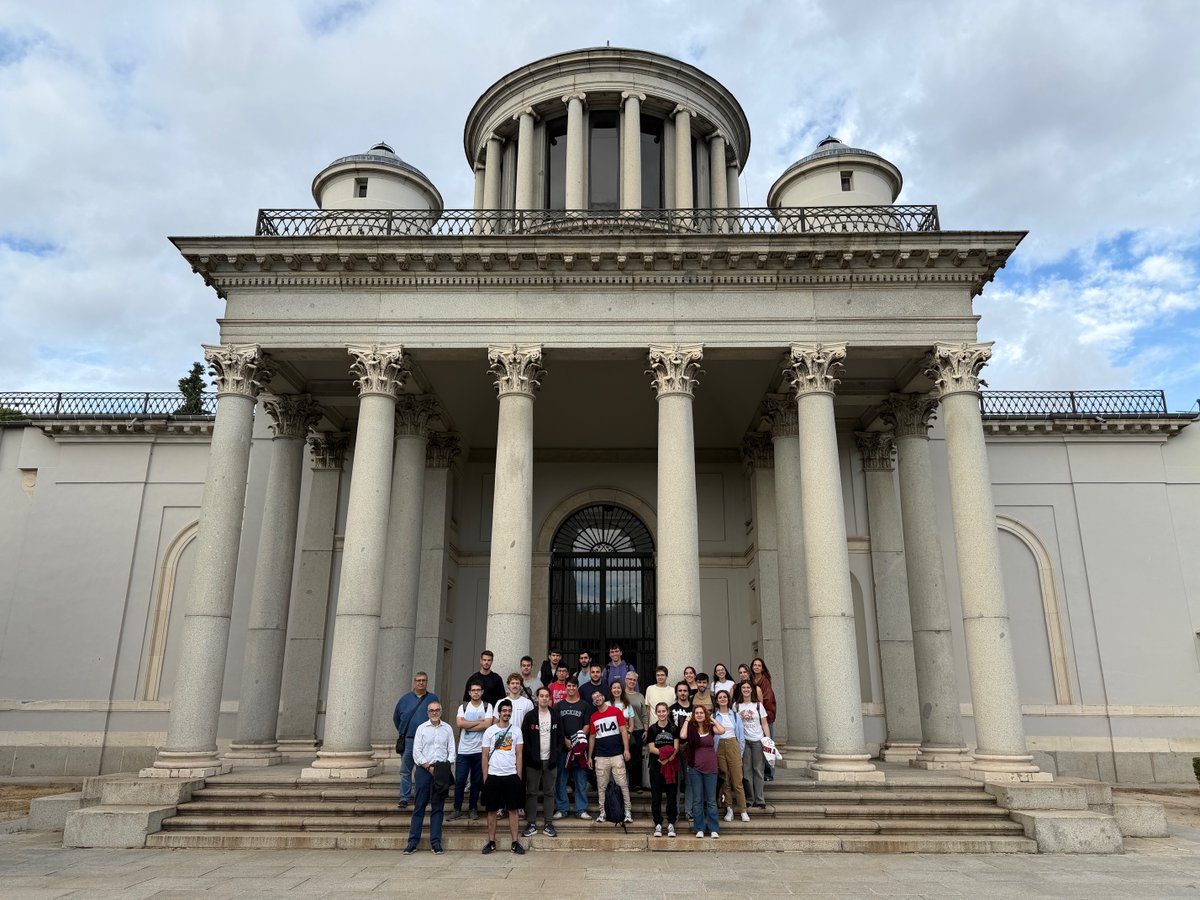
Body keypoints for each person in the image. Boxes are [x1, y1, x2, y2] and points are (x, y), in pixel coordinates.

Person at [404, 700, 455, 855]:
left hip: (441, 771)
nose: (434, 713)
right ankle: (413, 842)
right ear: (428, 713)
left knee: (438, 808)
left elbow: (452, 751)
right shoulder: (421, 729)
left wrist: (444, 766)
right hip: (423, 770)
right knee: (419, 806)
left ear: (441, 711)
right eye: (431, 710)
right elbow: (416, 752)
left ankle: (436, 843)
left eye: (437, 710)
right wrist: (428, 767)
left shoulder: (447, 728)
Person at [481, 699, 525, 855]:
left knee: (513, 810)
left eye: (509, 711)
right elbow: (484, 755)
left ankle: (515, 842)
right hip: (493, 774)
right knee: (492, 810)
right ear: (499, 713)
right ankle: (491, 842)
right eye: (504, 710)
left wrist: (518, 776)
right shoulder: (489, 731)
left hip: (511, 774)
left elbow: (519, 754)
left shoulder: (517, 731)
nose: (506, 713)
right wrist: (486, 777)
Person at [586, 688, 632, 825]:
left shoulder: (615, 711)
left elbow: (623, 730)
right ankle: (603, 812)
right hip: (600, 756)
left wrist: (626, 749)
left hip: (617, 754)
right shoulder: (593, 717)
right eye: (594, 698)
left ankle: (627, 812)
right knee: (601, 786)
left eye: (599, 696)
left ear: (603, 697)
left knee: (622, 784)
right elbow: (592, 737)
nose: (597, 698)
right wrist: (589, 756)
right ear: (593, 702)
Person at [449, 681, 493, 821]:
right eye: (473, 690)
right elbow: (459, 723)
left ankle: (473, 808)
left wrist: (468, 725)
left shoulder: (487, 706)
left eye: (478, 690)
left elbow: (487, 724)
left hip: (480, 751)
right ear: (469, 692)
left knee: (476, 781)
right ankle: (457, 808)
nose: (475, 692)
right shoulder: (463, 707)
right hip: (464, 751)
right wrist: (479, 724)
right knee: (460, 780)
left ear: (482, 692)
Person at [392, 672, 437, 809]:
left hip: (426, 741)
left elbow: (437, 715)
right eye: (418, 680)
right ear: (415, 682)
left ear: (427, 682)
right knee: (405, 770)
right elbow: (396, 718)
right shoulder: (404, 699)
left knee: (423, 770)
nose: (421, 683)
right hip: (409, 740)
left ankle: (422, 797)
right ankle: (404, 797)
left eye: (424, 680)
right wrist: (404, 731)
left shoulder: (432, 698)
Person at [521, 687, 560, 838]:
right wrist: (531, 756)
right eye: (541, 696)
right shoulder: (530, 716)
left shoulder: (555, 715)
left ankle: (548, 824)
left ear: (550, 698)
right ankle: (531, 823)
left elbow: (560, 736)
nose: (544, 698)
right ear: (537, 698)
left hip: (550, 761)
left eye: (546, 696)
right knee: (531, 792)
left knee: (549, 792)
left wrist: (555, 755)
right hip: (533, 762)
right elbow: (524, 738)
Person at [680, 704, 725, 838]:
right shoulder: (691, 729)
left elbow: (722, 730)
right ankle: (699, 828)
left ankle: (713, 828)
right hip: (695, 768)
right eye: (697, 713)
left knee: (711, 800)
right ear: (693, 715)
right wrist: (687, 720)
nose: (699, 715)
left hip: (711, 768)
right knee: (697, 800)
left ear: (705, 714)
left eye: (701, 713)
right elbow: (682, 735)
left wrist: (712, 719)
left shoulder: (710, 728)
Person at [553, 676, 592, 819]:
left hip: (579, 749)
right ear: (565, 687)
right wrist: (564, 740)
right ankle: (561, 809)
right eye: (569, 686)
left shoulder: (584, 705)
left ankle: (581, 809)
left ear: (577, 687)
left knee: (580, 780)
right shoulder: (559, 706)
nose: (571, 688)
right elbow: (556, 727)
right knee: (561, 780)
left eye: (574, 686)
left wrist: (577, 740)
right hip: (563, 749)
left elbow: (587, 725)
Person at [712, 689, 749, 822]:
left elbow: (741, 735)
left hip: (733, 744)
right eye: (720, 697)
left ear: (728, 699)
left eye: (725, 697)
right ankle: (729, 809)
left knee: (737, 780)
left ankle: (743, 810)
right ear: (717, 701)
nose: (722, 699)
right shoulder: (714, 716)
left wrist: (740, 751)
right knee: (725, 780)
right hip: (719, 747)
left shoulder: (735, 715)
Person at [646, 701, 679, 838]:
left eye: (663, 711)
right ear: (656, 713)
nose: (661, 714)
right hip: (656, 766)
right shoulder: (652, 729)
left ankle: (671, 823)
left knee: (671, 795)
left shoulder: (674, 728)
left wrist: (668, 757)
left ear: (667, 712)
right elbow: (651, 748)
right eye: (659, 711)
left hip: (671, 765)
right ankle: (658, 823)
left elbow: (676, 747)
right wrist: (664, 755)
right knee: (656, 796)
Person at [737, 679, 771, 809]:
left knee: (758, 770)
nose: (746, 690)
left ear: (751, 690)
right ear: (741, 690)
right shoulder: (736, 706)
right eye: (743, 687)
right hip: (744, 742)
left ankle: (760, 799)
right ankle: (750, 799)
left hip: (758, 740)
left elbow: (764, 723)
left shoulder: (758, 705)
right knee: (746, 771)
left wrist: (768, 740)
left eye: (748, 687)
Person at [751, 657, 777, 781]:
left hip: (765, 717)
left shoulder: (765, 681)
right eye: (754, 665)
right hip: (755, 718)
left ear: (762, 668)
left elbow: (767, 699)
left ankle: (769, 773)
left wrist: (760, 714)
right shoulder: (751, 680)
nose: (756, 667)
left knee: (768, 744)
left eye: (759, 665)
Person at [668, 681, 693, 813]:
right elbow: (669, 730)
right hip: (675, 750)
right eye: (680, 691)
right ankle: (675, 812)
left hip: (691, 750)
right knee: (675, 783)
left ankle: (689, 811)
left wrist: (688, 744)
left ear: (689, 692)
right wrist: (677, 746)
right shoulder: (671, 709)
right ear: (676, 693)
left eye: (685, 690)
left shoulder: (694, 709)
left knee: (690, 782)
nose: (682, 693)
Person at [622, 670, 646, 790]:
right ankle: (626, 783)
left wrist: (646, 729)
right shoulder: (621, 694)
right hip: (624, 730)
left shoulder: (640, 696)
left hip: (638, 730)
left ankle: (637, 784)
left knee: (637, 757)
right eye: (630, 679)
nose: (632, 682)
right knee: (626, 756)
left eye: (634, 680)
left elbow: (644, 714)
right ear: (625, 680)